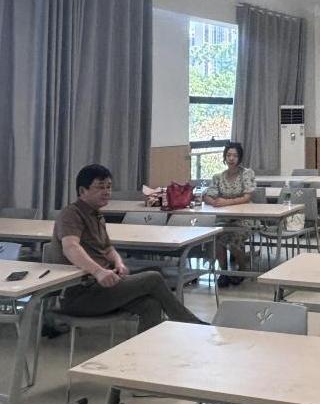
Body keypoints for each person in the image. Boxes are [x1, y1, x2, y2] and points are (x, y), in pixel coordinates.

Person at [47, 164, 205, 334]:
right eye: (100, 187)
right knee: (153, 278)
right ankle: (192, 326)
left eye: (109, 187)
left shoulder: (97, 215)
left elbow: (108, 249)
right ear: (82, 191)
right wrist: (98, 271)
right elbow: (70, 247)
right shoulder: (72, 214)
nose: (106, 192)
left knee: (150, 304)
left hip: (103, 287)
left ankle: (145, 349)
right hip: (79, 294)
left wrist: (119, 263)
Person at [203, 142, 256, 288]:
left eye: (235, 156)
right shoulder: (218, 177)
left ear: (240, 158)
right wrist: (213, 202)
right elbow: (208, 195)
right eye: (228, 155)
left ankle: (242, 269)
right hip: (225, 217)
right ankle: (224, 272)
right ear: (224, 157)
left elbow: (247, 197)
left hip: (245, 217)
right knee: (216, 236)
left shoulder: (246, 173)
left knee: (234, 238)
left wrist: (226, 202)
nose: (231, 158)